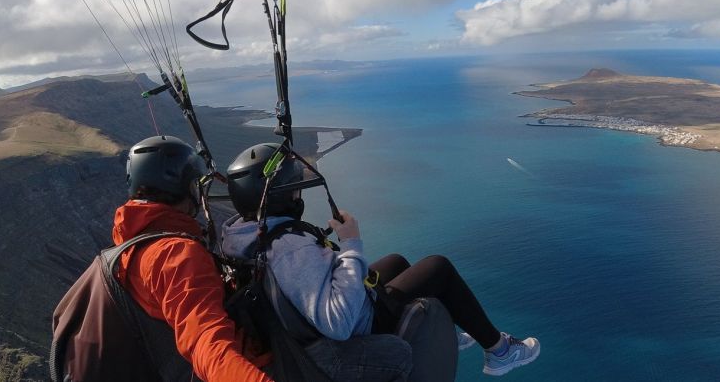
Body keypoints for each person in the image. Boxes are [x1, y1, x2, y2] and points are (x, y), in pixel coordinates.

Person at [220, 143, 541, 377]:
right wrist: (350, 244)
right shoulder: (290, 249)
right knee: (437, 268)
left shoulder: (244, 234)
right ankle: (500, 351)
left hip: (307, 321)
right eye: (292, 191)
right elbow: (338, 322)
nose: (297, 196)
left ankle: (455, 332)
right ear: (275, 198)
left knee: (397, 262)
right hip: (350, 331)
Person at [114, 135, 273, 382]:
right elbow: (206, 343)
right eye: (195, 185)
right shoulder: (176, 255)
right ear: (185, 188)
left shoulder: (130, 246)